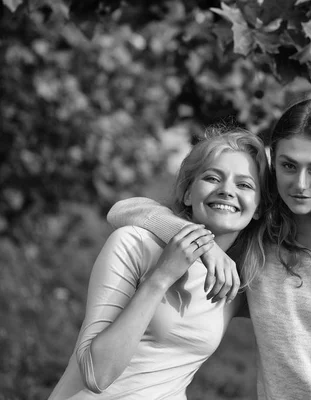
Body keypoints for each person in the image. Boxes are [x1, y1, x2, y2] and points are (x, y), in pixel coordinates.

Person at [107, 97, 311, 399]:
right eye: (288, 166)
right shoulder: (258, 248)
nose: (300, 183)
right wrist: (204, 244)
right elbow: (125, 209)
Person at [49, 127, 269, 399]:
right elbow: (97, 375)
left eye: (244, 185)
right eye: (213, 178)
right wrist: (163, 276)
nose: (226, 191)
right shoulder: (136, 245)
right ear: (188, 194)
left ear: (258, 207)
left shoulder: (239, 279)